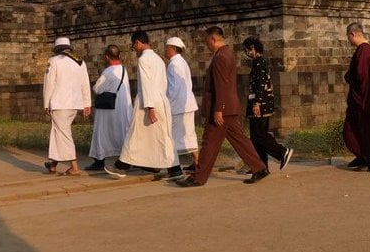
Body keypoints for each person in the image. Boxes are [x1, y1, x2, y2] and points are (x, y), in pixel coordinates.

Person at [176, 27, 268, 187]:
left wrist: (219, 109)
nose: (207, 47)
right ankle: (259, 167)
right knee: (239, 140)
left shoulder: (221, 57)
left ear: (213, 39)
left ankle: (198, 177)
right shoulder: (227, 54)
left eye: (207, 43)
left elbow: (222, 85)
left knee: (209, 142)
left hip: (222, 109)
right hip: (228, 108)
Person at [107, 31, 180, 178]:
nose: (135, 49)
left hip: (148, 103)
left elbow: (146, 85)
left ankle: (122, 166)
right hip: (160, 100)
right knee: (162, 136)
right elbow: (162, 83)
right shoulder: (158, 59)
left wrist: (150, 108)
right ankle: (173, 169)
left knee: (135, 134)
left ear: (138, 43)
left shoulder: (144, 60)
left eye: (134, 46)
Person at [42, 37, 91, 176]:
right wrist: (87, 103)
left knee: (63, 133)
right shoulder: (80, 62)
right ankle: (53, 164)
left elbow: (49, 84)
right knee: (58, 132)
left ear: (57, 49)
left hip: (59, 103)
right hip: (74, 103)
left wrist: (46, 103)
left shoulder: (53, 61)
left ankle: (74, 167)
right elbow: (85, 84)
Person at [243, 37, 293, 172]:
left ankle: (282, 152)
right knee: (255, 136)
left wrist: (257, 103)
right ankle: (261, 166)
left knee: (260, 135)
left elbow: (260, 84)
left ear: (253, 48)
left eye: (247, 49)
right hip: (259, 103)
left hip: (261, 104)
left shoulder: (260, 62)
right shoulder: (258, 62)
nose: (246, 53)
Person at [86, 44, 133, 171]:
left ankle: (99, 160)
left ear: (107, 57)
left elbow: (97, 88)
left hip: (108, 108)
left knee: (102, 132)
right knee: (123, 131)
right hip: (122, 107)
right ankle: (127, 158)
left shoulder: (108, 72)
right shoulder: (124, 70)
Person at [343, 22, 370, 171]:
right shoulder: (364, 50)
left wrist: (348, 76)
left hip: (363, 98)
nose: (348, 41)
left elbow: (360, 74)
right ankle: (362, 157)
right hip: (363, 97)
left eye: (348, 37)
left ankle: (368, 160)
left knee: (362, 128)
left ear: (353, 34)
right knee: (354, 127)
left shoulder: (364, 51)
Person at [164, 36, 200, 174]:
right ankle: (196, 162)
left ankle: (174, 166)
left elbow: (174, 88)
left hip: (178, 105)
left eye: (167, 48)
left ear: (172, 48)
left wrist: (169, 106)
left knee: (172, 137)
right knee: (189, 134)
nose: (165, 51)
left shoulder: (174, 64)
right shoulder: (182, 62)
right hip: (187, 104)